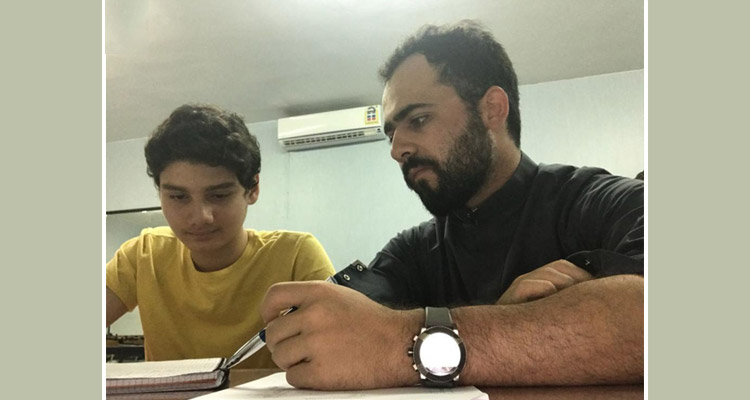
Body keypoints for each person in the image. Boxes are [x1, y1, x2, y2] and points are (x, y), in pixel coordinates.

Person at [261, 21, 643, 389]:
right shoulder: (412, 252)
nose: (397, 149)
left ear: (492, 109)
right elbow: (337, 331)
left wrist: (402, 343)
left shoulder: (599, 201)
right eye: (391, 134)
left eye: (418, 119)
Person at [106, 104, 335, 368]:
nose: (200, 217)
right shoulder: (143, 255)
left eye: (219, 195)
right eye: (178, 197)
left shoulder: (296, 255)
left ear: (253, 189)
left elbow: (342, 351)